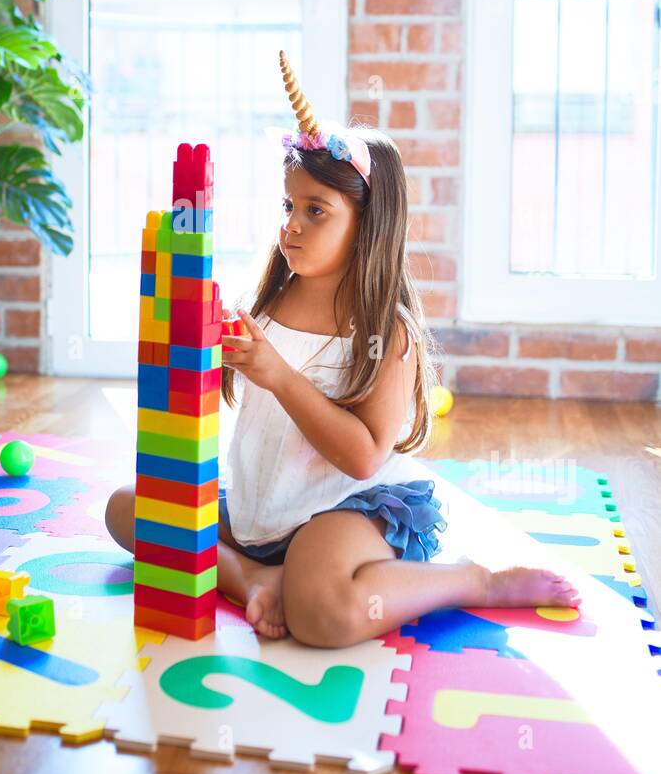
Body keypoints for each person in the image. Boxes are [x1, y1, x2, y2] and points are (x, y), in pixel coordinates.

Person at [106, 51, 582, 646]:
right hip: (260, 506)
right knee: (129, 508)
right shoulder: (272, 301)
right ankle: (252, 575)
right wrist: (213, 344)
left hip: (346, 506)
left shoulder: (389, 332)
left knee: (320, 615)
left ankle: (471, 581)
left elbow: (361, 459)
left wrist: (278, 375)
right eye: (288, 206)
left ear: (368, 225)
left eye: (316, 211)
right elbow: (239, 398)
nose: (292, 226)